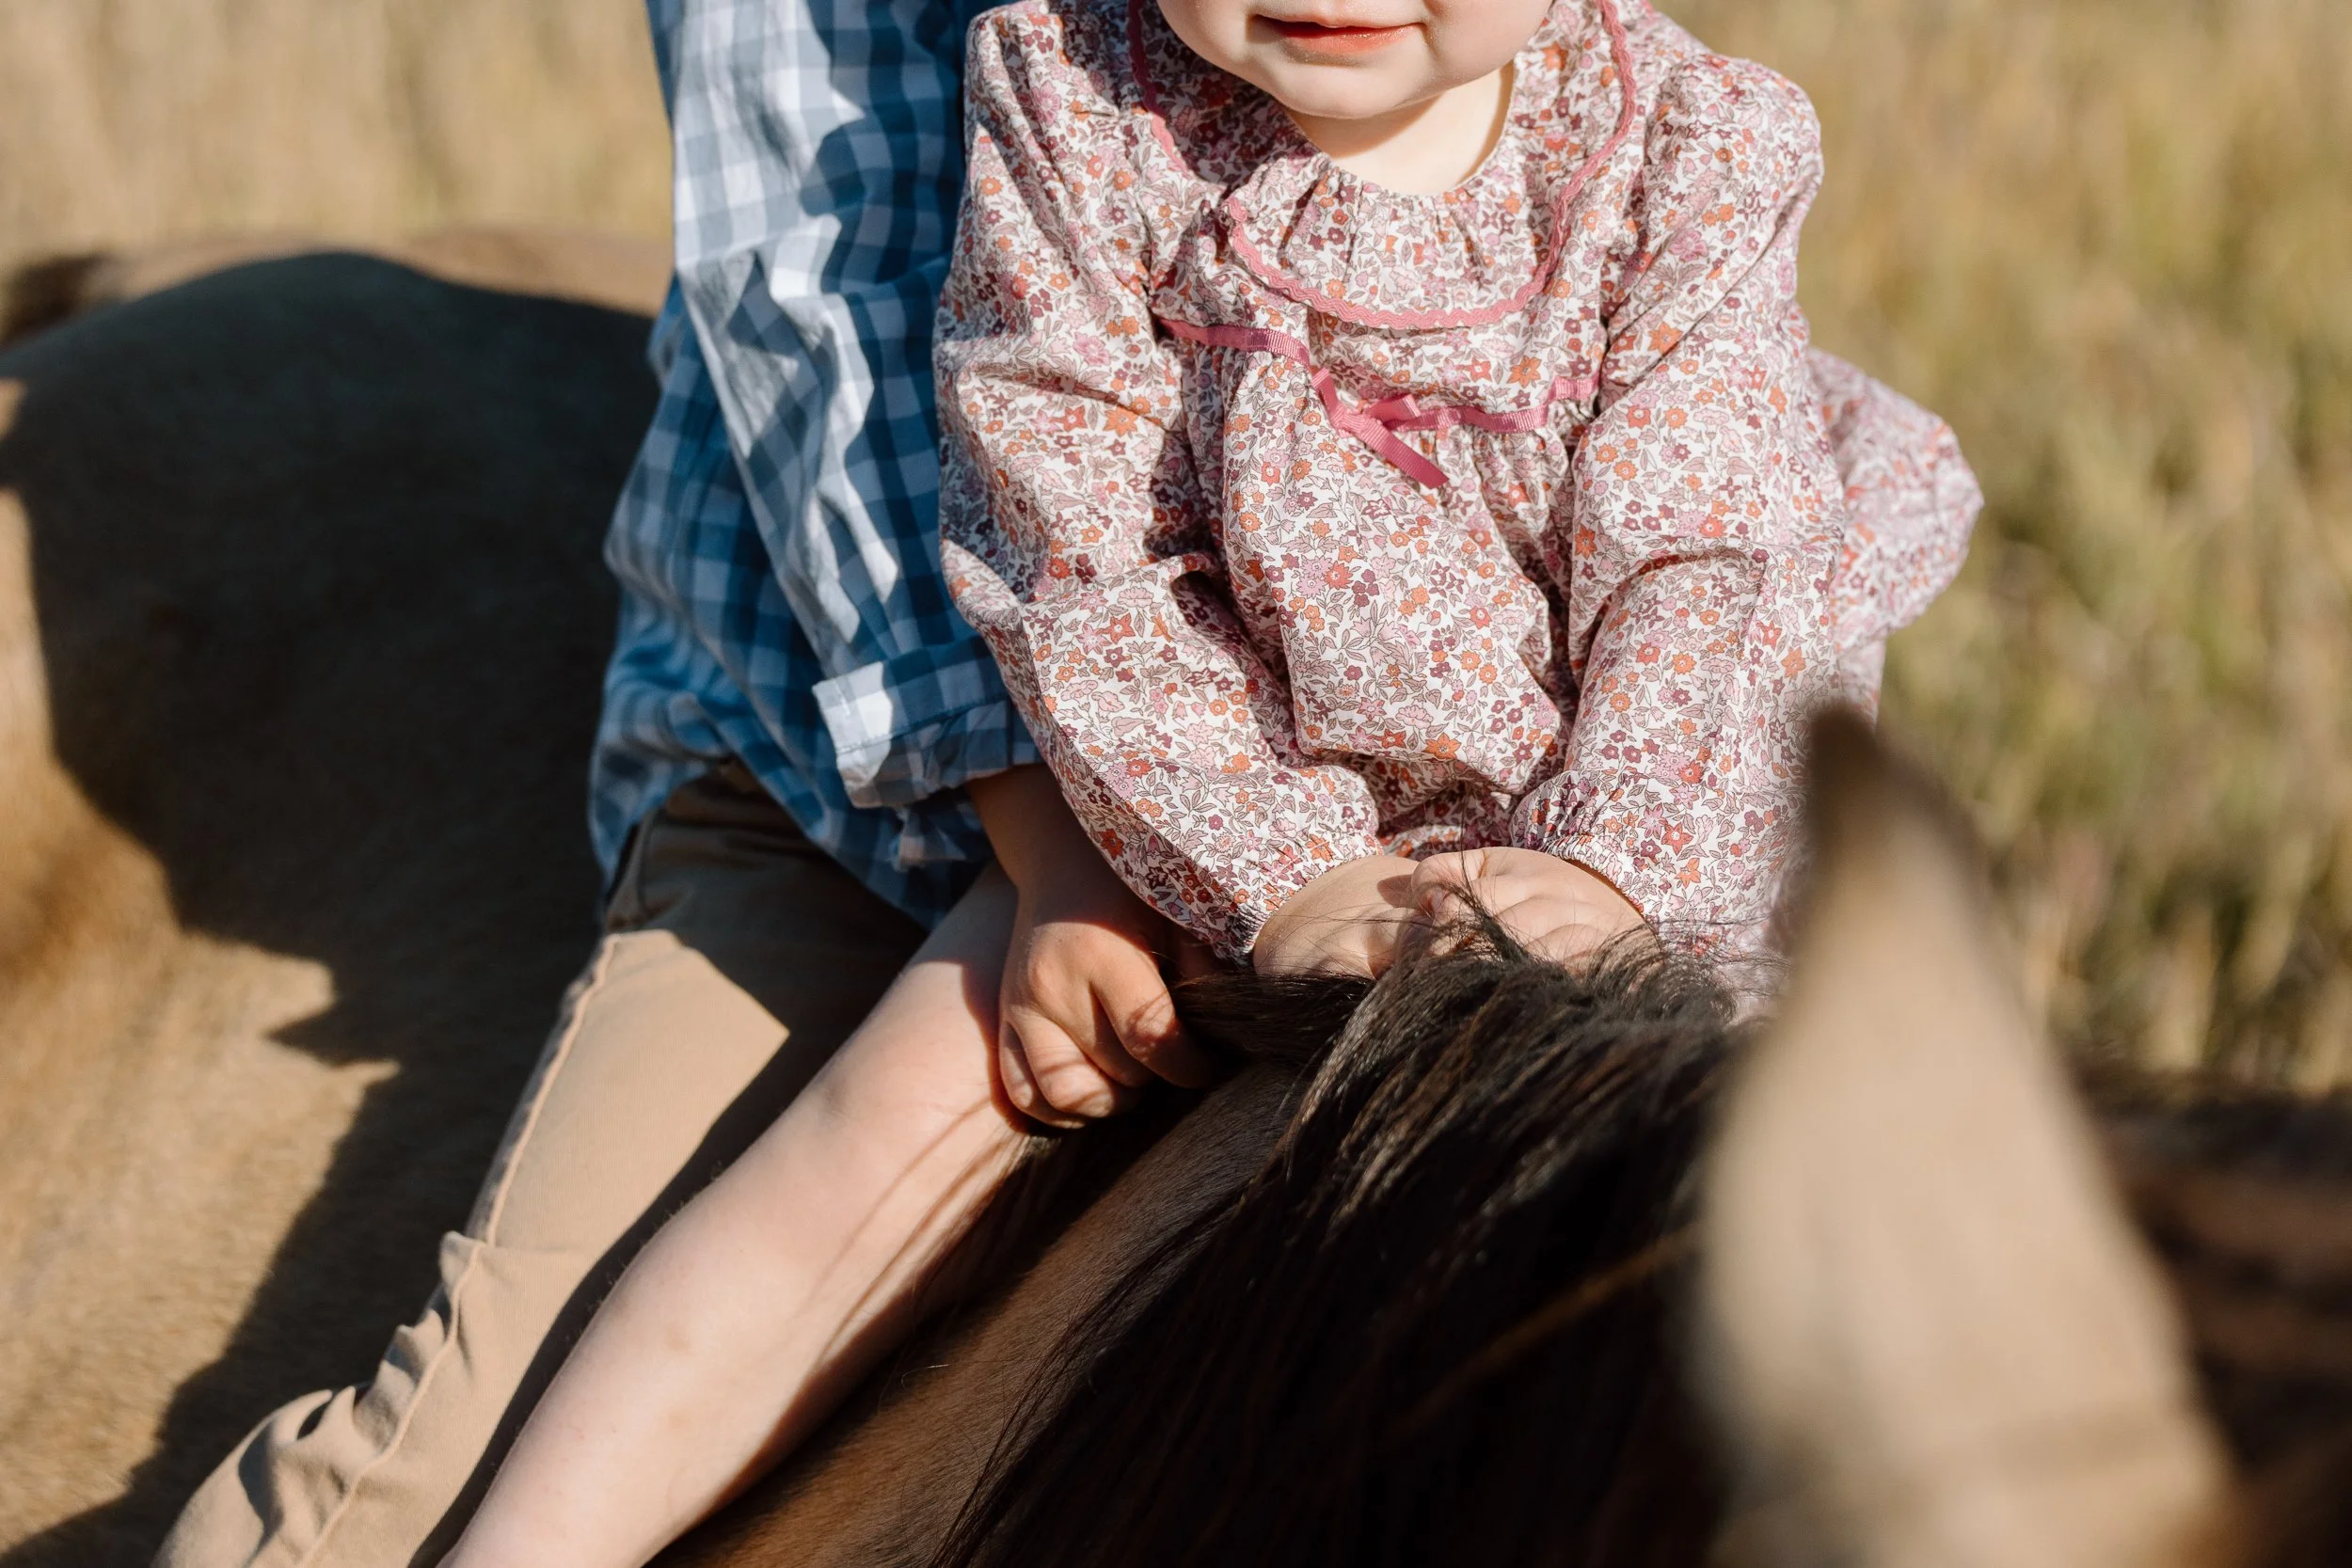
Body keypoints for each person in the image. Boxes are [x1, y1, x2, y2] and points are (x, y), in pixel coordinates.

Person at [419, 3, 1979, 1568]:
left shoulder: (1695, 147)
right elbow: (1067, 539)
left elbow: (1701, 566)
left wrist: (1617, 868)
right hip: (1198, 799)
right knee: (864, 1149)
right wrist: (1265, 865)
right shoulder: (1077, 99)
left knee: (1846, 1242)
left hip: (1619, 832)